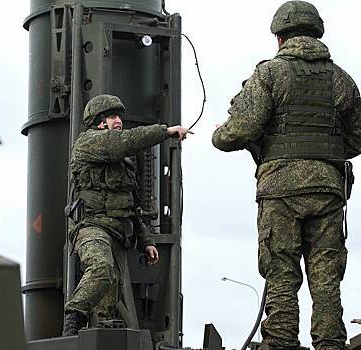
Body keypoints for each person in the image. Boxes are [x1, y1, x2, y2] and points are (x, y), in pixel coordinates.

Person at [212, 2, 361, 350]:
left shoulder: (269, 74)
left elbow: (240, 130)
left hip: (280, 188)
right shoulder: (341, 79)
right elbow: (357, 138)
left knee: (281, 271)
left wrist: (220, 134)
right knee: (326, 276)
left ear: (279, 37)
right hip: (327, 188)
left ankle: (280, 342)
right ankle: (329, 343)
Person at [62, 94, 191, 336]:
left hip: (119, 233)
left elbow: (131, 207)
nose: (118, 120)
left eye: (119, 116)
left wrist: (146, 242)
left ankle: (98, 337)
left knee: (108, 303)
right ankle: (74, 319)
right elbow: (126, 141)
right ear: (100, 122)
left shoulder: (124, 163)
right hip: (91, 226)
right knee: (101, 268)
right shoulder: (89, 143)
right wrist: (166, 131)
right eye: (112, 116)